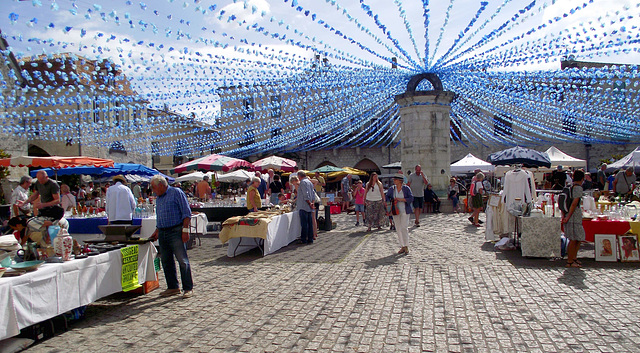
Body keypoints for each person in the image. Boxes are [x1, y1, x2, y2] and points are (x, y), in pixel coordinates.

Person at [148, 175, 193, 298]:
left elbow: (186, 212)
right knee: (166, 261)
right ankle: (173, 287)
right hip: (163, 232)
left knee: (182, 260)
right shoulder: (159, 197)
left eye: (154, 187)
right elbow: (161, 215)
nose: (153, 190)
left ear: (161, 185)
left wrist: (185, 230)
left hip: (176, 230)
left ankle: (188, 288)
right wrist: (157, 230)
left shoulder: (176, 192)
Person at [561, 169, 586, 268]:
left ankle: (573, 258)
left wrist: (565, 215)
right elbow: (574, 203)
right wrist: (568, 216)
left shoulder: (569, 187)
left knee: (577, 238)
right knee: (574, 238)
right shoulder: (578, 188)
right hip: (574, 215)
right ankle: (570, 260)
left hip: (570, 214)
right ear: (582, 178)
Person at [386, 173, 413, 255]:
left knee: (404, 227)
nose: (394, 181)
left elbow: (411, 198)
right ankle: (402, 246)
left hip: (404, 210)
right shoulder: (392, 189)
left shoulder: (406, 189)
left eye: (395, 179)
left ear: (400, 181)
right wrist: (390, 201)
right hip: (395, 211)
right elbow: (387, 197)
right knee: (398, 228)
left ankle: (406, 245)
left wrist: (401, 199)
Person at [296, 171, 315, 244]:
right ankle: (310, 238)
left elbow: (305, 194)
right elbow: (313, 194)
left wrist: (310, 203)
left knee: (304, 224)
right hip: (309, 205)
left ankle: (304, 239)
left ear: (299, 176)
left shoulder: (303, 182)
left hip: (303, 205)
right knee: (309, 223)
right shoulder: (309, 182)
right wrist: (312, 202)